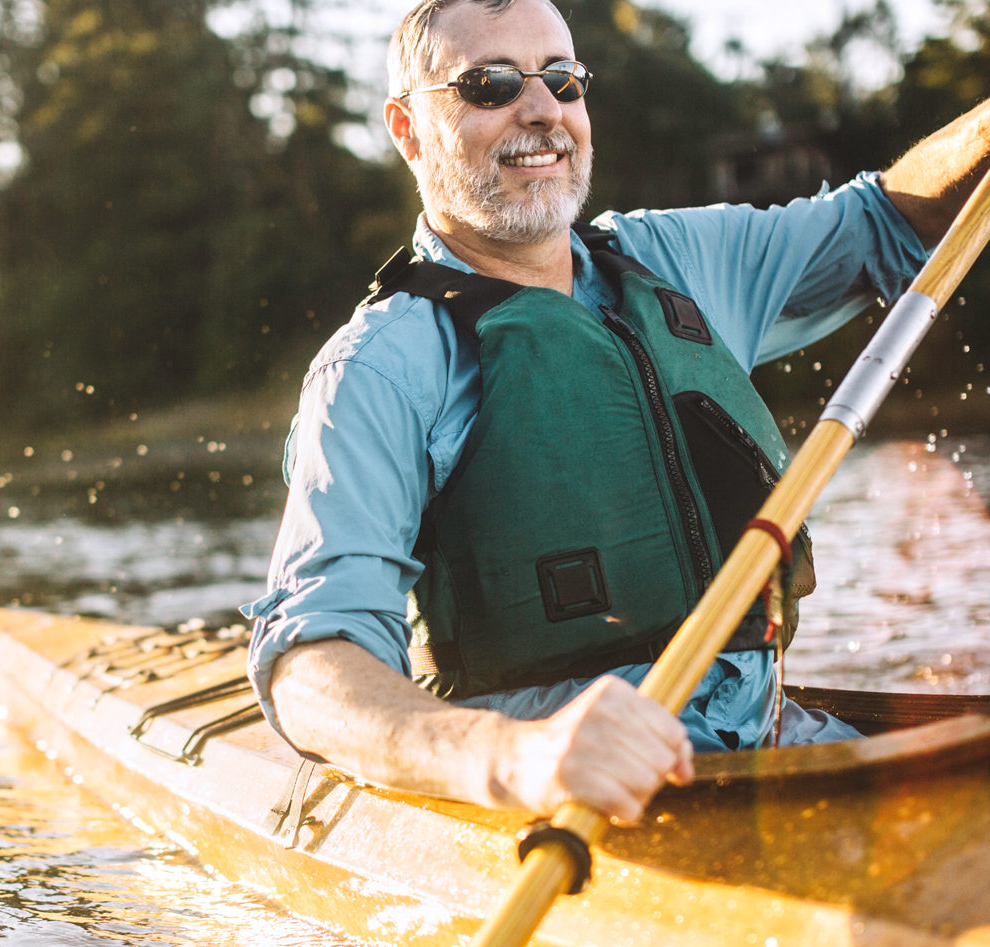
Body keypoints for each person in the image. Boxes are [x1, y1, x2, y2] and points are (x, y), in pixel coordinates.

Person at [243, 0, 989, 826]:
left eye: (562, 79)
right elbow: (309, 669)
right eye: (488, 85)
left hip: (772, 747)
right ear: (407, 130)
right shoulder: (379, 369)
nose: (542, 110)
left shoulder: (674, 260)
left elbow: (892, 218)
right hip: (574, 807)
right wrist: (512, 759)